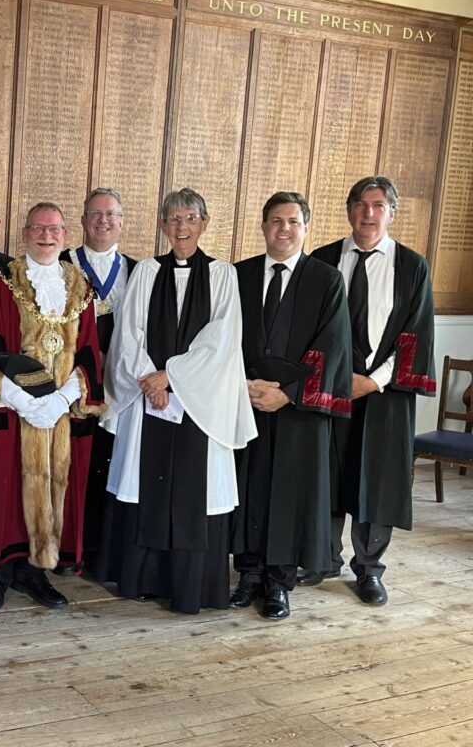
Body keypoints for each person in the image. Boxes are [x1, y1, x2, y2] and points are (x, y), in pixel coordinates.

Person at [101, 188, 256, 615]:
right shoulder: (147, 272)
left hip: (199, 405)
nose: (182, 226)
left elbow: (222, 340)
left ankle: (193, 588)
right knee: (145, 481)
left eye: (190, 218)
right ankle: (144, 580)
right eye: (173, 218)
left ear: (204, 223)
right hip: (147, 396)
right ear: (161, 225)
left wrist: (170, 376)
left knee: (197, 488)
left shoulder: (224, 275)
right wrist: (150, 383)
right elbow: (128, 333)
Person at [301, 177, 436, 605]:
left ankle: (369, 569)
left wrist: (372, 380)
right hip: (330, 390)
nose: (368, 213)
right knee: (327, 473)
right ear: (348, 210)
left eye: (378, 205)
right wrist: (336, 380)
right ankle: (322, 557)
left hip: (384, 394)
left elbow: (415, 334)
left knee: (375, 480)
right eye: (360, 204)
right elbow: (309, 330)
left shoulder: (411, 267)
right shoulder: (322, 260)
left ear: (391, 213)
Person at [0, 202, 105, 610]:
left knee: (54, 492)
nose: (46, 236)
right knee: (3, 490)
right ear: (25, 233)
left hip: (60, 416)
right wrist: (23, 402)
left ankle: (34, 573)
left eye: (54, 229)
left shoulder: (79, 286)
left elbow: (88, 351)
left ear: (65, 235)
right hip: (14, 410)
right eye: (38, 228)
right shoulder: (2, 283)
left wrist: (63, 400)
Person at [230, 192, 352, 620]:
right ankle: (248, 574)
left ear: (306, 228)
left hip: (298, 410)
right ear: (263, 226)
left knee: (288, 493)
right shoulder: (237, 275)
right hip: (245, 402)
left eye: (293, 221)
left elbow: (332, 348)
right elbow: (221, 338)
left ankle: (279, 582)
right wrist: (242, 385)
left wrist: (288, 394)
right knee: (249, 486)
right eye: (276, 221)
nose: (284, 229)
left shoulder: (326, 280)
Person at [60, 187, 137, 577]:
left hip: (121, 389)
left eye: (111, 214)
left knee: (112, 468)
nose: (103, 221)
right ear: (83, 220)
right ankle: (67, 549)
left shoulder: (139, 271)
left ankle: (103, 553)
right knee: (72, 468)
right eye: (95, 213)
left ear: (122, 222)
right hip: (71, 385)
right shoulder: (61, 264)